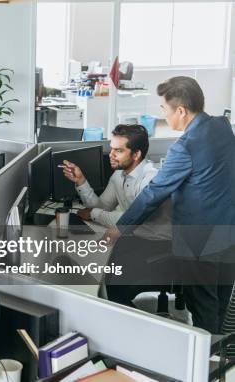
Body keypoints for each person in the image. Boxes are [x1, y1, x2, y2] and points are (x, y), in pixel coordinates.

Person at [107, 76, 235, 334]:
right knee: (219, 304)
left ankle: (203, 366)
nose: (162, 114)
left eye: (164, 108)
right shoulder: (223, 126)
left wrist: (121, 228)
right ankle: (218, 361)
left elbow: (154, 192)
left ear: (181, 110)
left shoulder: (185, 146)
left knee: (204, 310)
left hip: (199, 240)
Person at [61, 124, 172, 307]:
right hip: (133, 238)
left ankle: (127, 323)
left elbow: (129, 219)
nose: (111, 155)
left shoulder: (150, 179)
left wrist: (94, 214)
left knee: (112, 282)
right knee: (90, 261)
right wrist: (81, 181)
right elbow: (102, 205)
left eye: (118, 150)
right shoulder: (119, 174)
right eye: (111, 149)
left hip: (158, 244)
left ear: (136, 154)